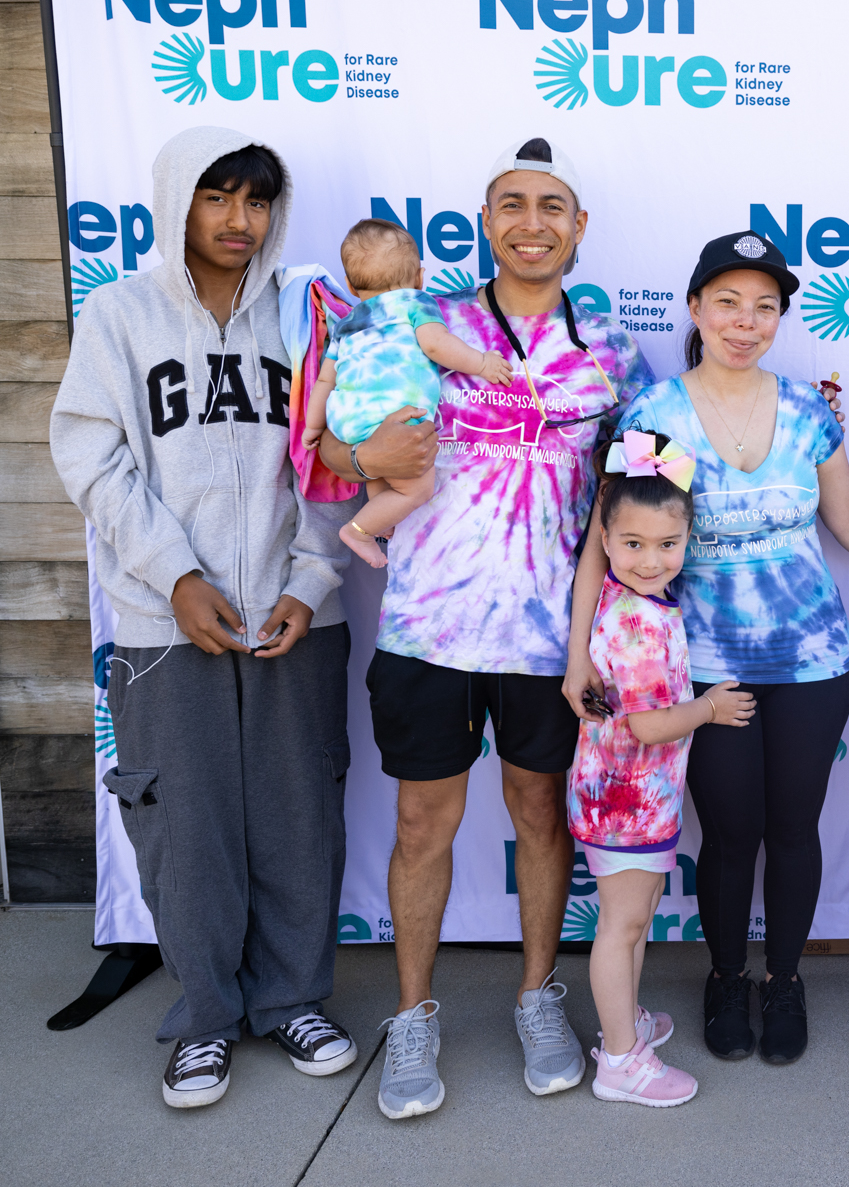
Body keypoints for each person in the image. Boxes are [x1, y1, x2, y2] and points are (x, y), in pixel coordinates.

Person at [316, 138, 655, 1119]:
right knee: (424, 822)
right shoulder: (422, 321)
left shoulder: (613, 353)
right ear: (487, 223)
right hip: (430, 627)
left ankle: (538, 995)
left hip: (552, 637)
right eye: (511, 202)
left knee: (540, 815)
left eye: (552, 204)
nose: (532, 219)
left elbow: (646, 484)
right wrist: (354, 446)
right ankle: (414, 1012)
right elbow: (335, 443)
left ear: (578, 227)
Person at [51, 127, 357, 1107]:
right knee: (184, 826)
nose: (237, 219)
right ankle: (205, 1018)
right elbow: (92, 457)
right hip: (158, 619)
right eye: (216, 196)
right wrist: (175, 574)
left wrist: (310, 581)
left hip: (290, 614)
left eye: (256, 200)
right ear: (177, 199)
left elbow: (339, 457)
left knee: (297, 815)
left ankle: (293, 997)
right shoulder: (119, 314)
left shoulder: (306, 319)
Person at [580, 231, 849, 1065]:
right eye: (727, 302)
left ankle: (784, 979)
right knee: (728, 835)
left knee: (795, 829)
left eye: (765, 306)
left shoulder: (805, 410)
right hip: (705, 668)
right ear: (695, 309)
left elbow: (848, 521)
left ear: (781, 318)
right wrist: (581, 653)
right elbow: (605, 537)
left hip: (812, 663)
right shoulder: (656, 416)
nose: (745, 320)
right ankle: (727, 977)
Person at [572, 429, 755, 1107]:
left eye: (667, 545)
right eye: (633, 545)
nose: (651, 560)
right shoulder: (637, 625)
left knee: (637, 916)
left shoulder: (640, 602)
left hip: (637, 799)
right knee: (621, 928)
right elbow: (649, 725)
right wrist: (708, 710)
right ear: (607, 540)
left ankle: (628, 1021)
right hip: (625, 804)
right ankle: (620, 1059)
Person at [303, 219, 512, 567]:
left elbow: (325, 381)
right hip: (397, 415)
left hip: (348, 419)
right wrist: (481, 363)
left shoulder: (346, 324)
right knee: (417, 489)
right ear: (419, 276)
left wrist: (313, 427)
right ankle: (359, 530)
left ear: (352, 286)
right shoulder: (416, 301)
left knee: (382, 472)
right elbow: (436, 344)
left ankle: (381, 519)